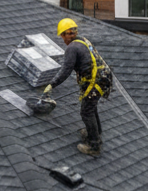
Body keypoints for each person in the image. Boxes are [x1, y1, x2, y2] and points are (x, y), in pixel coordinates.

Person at [44, 18, 106, 156]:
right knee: (91, 107)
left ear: (65, 35)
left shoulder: (72, 48)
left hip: (94, 82)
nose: (64, 39)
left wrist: (51, 84)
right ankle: (95, 132)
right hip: (102, 79)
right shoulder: (83, 40)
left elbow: (66, 70)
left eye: (64, 35)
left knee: (86, 112)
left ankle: (94, 146)